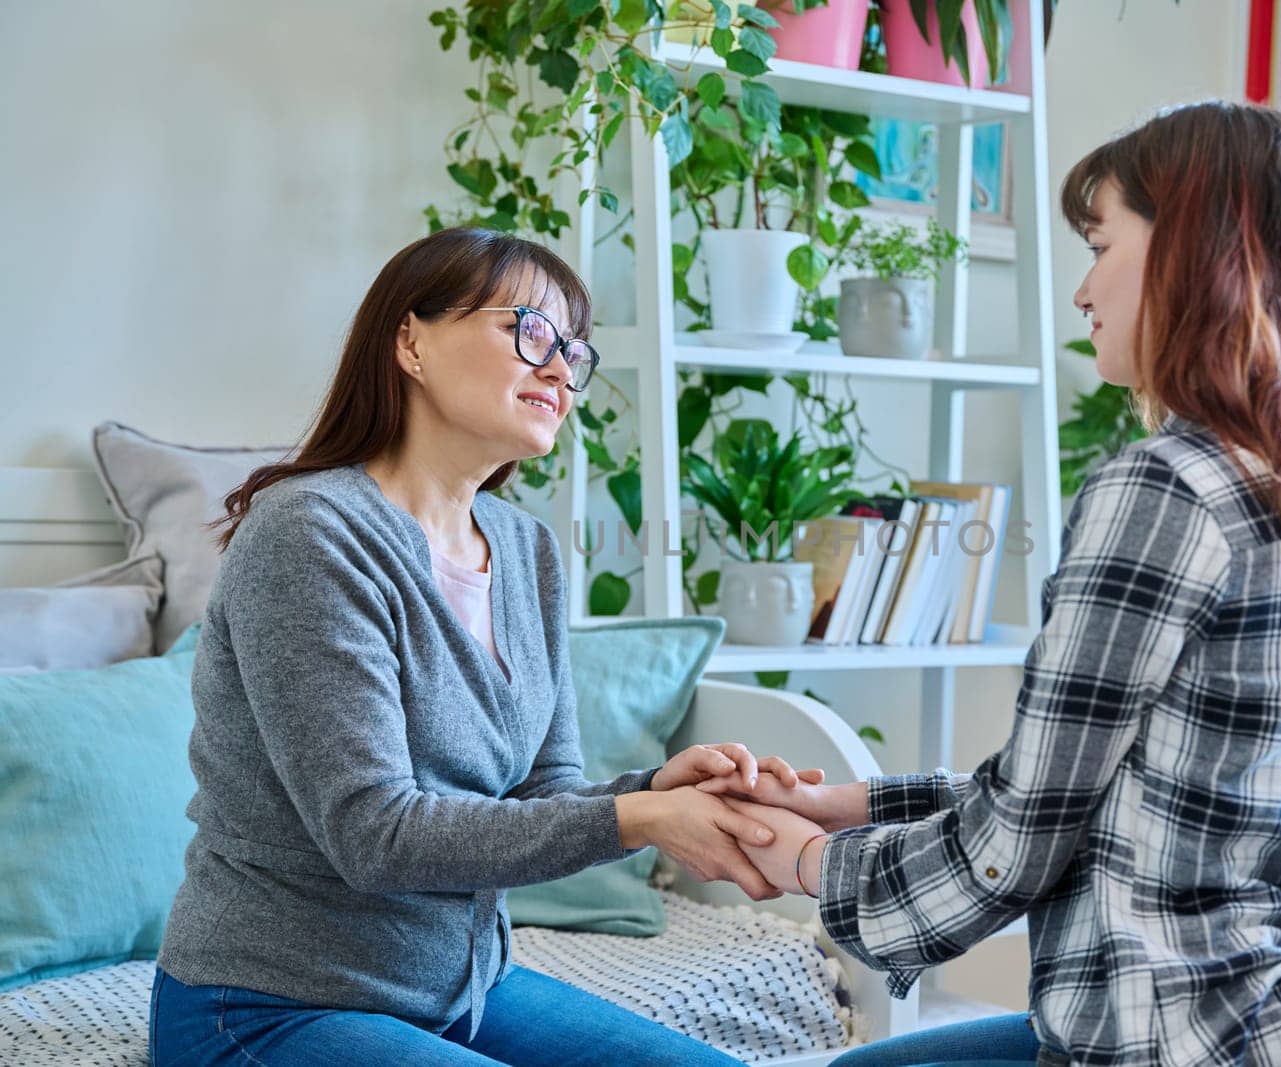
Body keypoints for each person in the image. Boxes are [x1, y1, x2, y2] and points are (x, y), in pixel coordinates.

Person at [703, 101, 1281, 1066]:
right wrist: (852, 804)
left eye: (1102, 246)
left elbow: (1019, 839)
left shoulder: (1166, 487)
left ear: (1188, 252)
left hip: (1164, 1034)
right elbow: (1111, 791)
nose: (1083, 290)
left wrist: (804, 863)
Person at [149, 227, 818, 1066]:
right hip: (268, 1003)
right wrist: (640, 818)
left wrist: (654, 788)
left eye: (575, 349)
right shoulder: (311, 533)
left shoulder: (524, 548)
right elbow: (374, 835)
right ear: (410, 340)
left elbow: (545, 789)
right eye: (528, 330)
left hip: (463, 988)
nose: (560, 369)